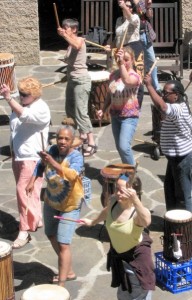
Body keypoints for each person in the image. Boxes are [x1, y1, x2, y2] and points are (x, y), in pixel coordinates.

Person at [26, 125, 84, 286]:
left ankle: (62, 286)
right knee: (51, 234)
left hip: (70, 205)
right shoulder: (52, 150)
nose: (62, 141)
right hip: (52, 201)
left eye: (66, 139)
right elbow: (40, 165)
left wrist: (51, 161)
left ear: (72, 141)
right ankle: (68, 270)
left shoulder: (77, 157)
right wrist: (31, 182)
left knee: (64, 243)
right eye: (60, 138)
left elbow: (72, 175)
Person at [81, 173, 155, 300]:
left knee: (138, 295)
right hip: (120, 257)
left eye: (122, 190)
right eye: (116, 188)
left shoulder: (136, 213)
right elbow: (106, 212)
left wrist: (135, 199)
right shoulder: (114, 201)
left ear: (133, 192)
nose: (117, 193)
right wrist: (92, 222)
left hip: (135, 260)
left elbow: (146, 221)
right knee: (124, 294)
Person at [0, 77, 51, 249]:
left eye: (24, 94)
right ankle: (34, 219)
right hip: (19, 155)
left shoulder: (41, 108)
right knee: (30, 193)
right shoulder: (25, 103)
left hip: (32, 157)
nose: (20, 96)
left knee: (23, 191)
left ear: (35, 95)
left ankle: (24, 230)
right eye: (20, 93)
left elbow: (24, 115)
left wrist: (9, 98)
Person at [144, 73, 192, 212]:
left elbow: (163, 107)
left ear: (176, 95)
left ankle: (186, 226)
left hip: (181, 158)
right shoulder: (178, 105)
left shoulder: (178, 108)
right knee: (170, 189)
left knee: (183, 194)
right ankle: (172, 220)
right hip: (174, 157)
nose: (163, 95)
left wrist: (149, 85)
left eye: (166, 93)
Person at [57, 18, 97, 157]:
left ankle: (92, 142)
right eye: (63, 27)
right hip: (72, 80)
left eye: (66, 27)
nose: (64, 29)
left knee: (81, 112)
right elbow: (70, 60)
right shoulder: (69, 44)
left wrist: (64, 36)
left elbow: (77, 46)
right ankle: (77, 137)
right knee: (70, 110)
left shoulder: (79, 40)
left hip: (81, 81)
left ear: (74, 29)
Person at [97, 46, 141, 166]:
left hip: (129, 116)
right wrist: (103, 109)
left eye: (127, 60)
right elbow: (109, 94)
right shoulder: (114, 75)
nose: (124, 62)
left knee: (124, 146)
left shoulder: (135, 76)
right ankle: (126, 170)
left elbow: (127, 81)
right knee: (119, 147)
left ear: (132, 60)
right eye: (121, 60)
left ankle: (132, 174)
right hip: (115, 116)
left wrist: (121, 64)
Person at [132, 0, 161, 92]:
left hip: (144, 34)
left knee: (152, 61)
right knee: (134, 62)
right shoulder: (127, 2)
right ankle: (135, 87)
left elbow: (149, 16)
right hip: (132, 35)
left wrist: (148, 6)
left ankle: (156, 88)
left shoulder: (143, 2)